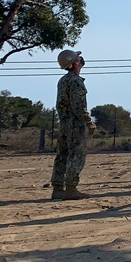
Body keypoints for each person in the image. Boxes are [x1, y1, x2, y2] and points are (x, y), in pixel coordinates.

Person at [50, 49, 96, 200]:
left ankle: (57, 188)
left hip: (63, 123)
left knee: (62, 154)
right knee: (76, 154)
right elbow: (78, 106)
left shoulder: (63, 80)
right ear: (75, 63)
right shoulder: (75, 81)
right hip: (75, 124)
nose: (81, 60)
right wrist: (89, 122)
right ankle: (71, 188)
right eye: (79, 58)